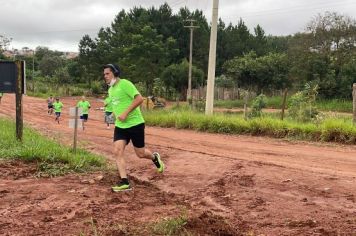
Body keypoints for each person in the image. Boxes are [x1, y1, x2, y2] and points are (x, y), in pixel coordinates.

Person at [103, 63, 165, 192]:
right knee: (117, 151)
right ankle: (125, 182)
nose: (105, 76)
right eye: (104, 74)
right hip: (121, 126)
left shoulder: (125, 84)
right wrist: (112, 117)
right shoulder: (110, 89)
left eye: (107, 73)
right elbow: (116, 107)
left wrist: (125, 113)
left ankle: (154, 157)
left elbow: (139, 99)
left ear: (115, 72)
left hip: (135, 124)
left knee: (140, 154)